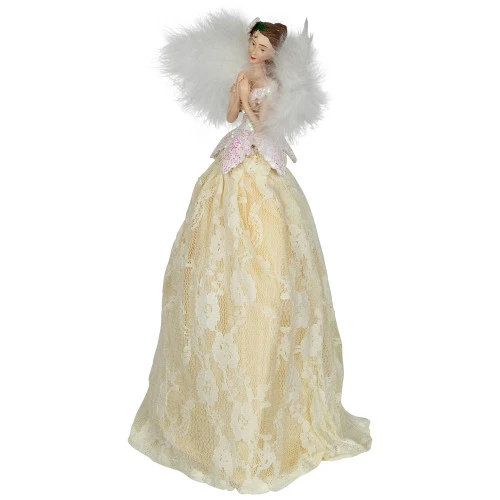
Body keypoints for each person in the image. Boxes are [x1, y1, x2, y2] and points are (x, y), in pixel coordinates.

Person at [128, 12, 372, 494]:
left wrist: (250, 98)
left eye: (262, 46)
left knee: (273, 245)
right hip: (233, 161)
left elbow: (262, 123)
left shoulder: (275, 86)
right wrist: (236, 92)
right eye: (252, 43)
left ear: (274, 52)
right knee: (213, 245)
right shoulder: (243, 76)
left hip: (263, 162)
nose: (254, 51)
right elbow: (229, 118)